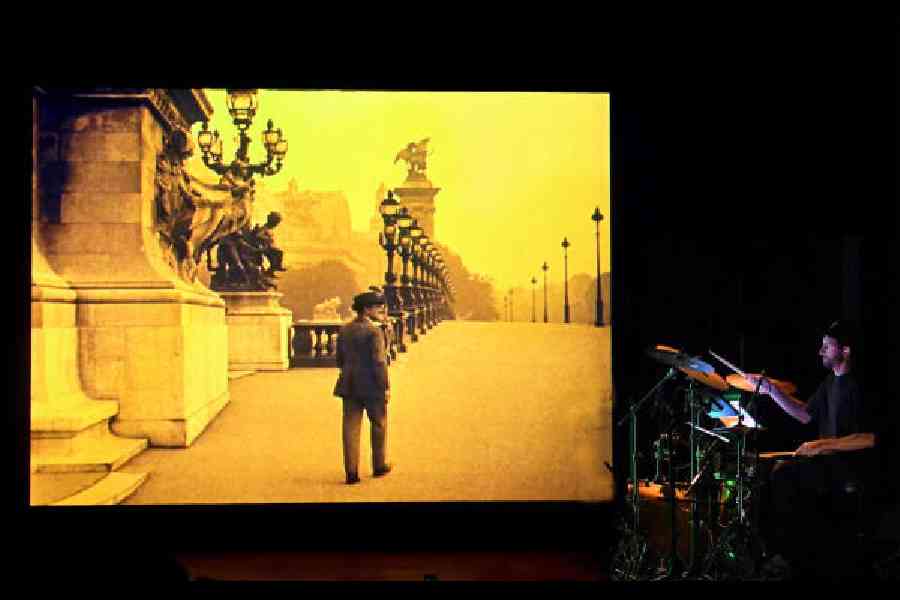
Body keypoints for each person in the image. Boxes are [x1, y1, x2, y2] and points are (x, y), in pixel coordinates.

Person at [745, 320, 878, 576]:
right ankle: (768, 550)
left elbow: (869, 439)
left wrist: (822, 444)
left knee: (784, 475)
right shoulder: (830, 382)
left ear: (846, 350)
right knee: (768, 469)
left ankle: (792, 556)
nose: (820, 351)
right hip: (828, 463)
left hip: (850, 469)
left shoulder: (860, 385)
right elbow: (805, 414)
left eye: (827, 346)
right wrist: (770, 390)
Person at [333, 291, 393, 485]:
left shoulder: (345, 329)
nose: (380, 310)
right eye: (377, 307)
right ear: (367, 310)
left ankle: (351, 472)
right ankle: (379, 465)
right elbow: (379, 361)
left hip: (349, 382)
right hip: (372, 383)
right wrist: (385, 386)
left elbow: (339, 359)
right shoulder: (374, 331)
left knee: (350, 427)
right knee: (379, 423)